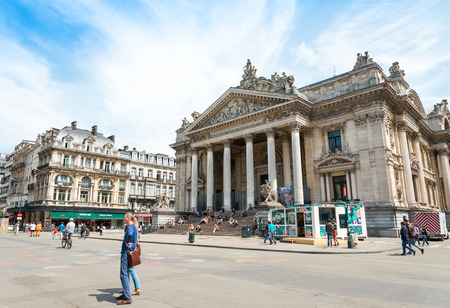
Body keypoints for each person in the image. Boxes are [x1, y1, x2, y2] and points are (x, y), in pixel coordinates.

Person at [116, 212, 138, 305]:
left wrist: (128, 242)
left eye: (125, 217)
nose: (123, 218)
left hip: (126, 253)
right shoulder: (134, 227)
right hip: (129, 253)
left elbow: (130, 235)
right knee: (127, 273)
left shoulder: (130, 228)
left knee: (124, 274)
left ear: (128, 218)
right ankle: (126, 293)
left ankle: (127, 297)